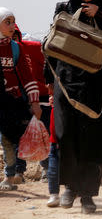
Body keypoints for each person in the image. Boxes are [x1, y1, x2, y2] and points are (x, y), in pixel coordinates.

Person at [45, 0, 102, 214]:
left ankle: (87, 194)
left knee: (91, 139)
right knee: (67, 136)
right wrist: (49, 82)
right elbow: (54, 45)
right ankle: (69, 187)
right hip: (65, 84)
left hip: (95, 85)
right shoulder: (63, 8)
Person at [0, 7, 42, 191]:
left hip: (11, 102)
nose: (11, 26)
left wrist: (34, 102)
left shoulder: (16, 48)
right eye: (7, 22)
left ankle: (10, 176)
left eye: (12, 22)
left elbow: (27, 77)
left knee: (12, 139)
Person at [12, 25, 52, 184]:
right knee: (17, 136)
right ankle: (18, 172)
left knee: (45, 133)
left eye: (15, 38)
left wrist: (50, 88)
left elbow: (50, 64)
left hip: (42, 96)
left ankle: (48, 169)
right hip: (19, 98)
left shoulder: (34, 48)